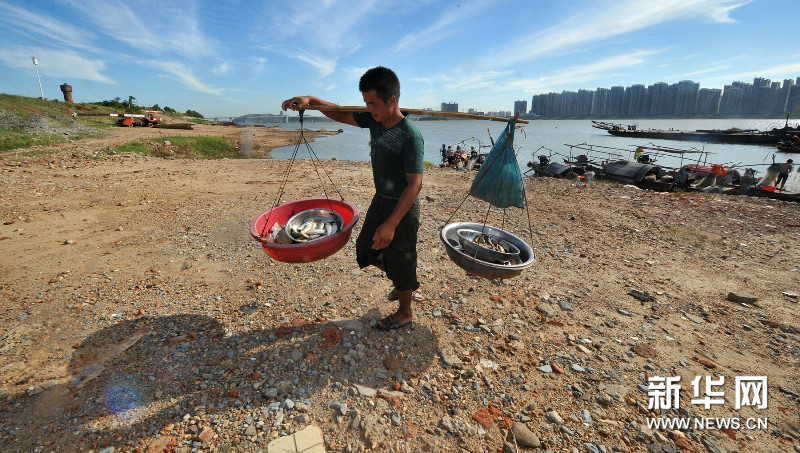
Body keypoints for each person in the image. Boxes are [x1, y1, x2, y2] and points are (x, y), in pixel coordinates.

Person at [281, 67, 424, 331]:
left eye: (373, 104)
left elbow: (415, 184)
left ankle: (405, 311)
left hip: (402, 206)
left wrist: (391, 224)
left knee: (402, 257)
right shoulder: (375, 120)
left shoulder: (410, 135)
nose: (369, 109)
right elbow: (339, 112)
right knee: (366, 250)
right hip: (381, 199)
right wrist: (311, 101)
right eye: (366, 103)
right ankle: (403, 280)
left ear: (392, 101)